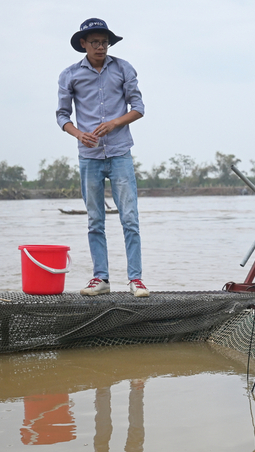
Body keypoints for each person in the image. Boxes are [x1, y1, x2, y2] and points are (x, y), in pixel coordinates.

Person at [56, 18, 149, 297]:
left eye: (104, 42)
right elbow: (62, 116)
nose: (100, 47)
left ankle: (136, 279)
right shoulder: (70, 75)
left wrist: (115, 123)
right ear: (83, 44)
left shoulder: (123, 68)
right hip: (89, 156)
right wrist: (78, 134)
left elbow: (139, 107)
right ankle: (101, 278)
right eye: (94, 42)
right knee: (95, 220)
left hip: (120, 152)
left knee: (129, 218)